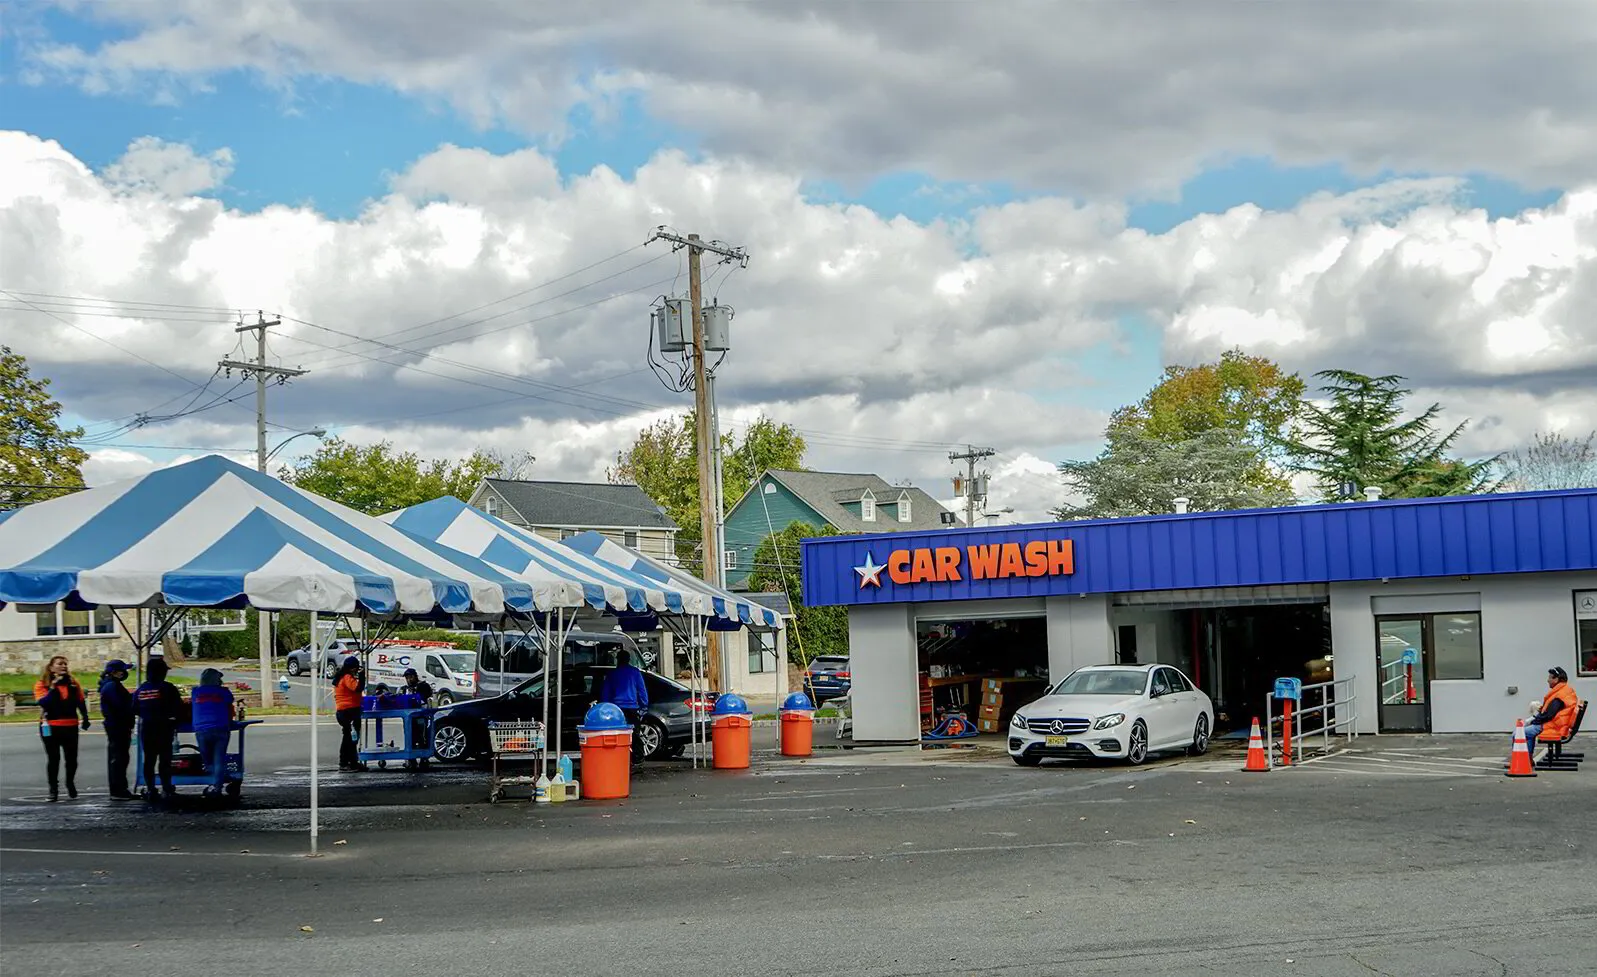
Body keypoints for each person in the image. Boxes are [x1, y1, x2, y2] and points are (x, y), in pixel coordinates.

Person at [35, 655, 91, 802]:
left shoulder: (73, 683)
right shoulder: (42, 684)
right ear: (51, 667)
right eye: (60, 664)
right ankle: (53, 789)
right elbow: (44, 703)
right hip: (51, 726)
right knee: (53, 759)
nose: (64, 666)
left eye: (65, 664)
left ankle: (70, 782)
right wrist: (53, 687)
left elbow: (80, 701)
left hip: (70, 724)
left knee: (72, 758)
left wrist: (85, 717)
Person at [134, 657, 184, 804]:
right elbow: (178, 707)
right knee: (165, 760)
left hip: (147, 727)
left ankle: (150, 788)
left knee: (149, 760)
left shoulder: (141, 689)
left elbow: (134, 708)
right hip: (164, 727)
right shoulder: (168, 688)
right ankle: (167, 788)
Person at [190, 668, 237, 799]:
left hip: (202, 729)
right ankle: (217, 786)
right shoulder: (224, 692)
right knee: (219, 759)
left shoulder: (196, 692)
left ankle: (213, 780)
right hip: (221, 727)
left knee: (207, 759)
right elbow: (230, 701)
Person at [599, 649, 649, 764]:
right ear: (628, 660)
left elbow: (606, 693)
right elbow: (642, 691)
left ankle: (618, 756)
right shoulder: (635, 672)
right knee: (634, 733)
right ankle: (637, 757)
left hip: (616, 709)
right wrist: (644, 706)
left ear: (618, 660)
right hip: (632, 707)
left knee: (615, 734)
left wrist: (605, 707)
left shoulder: (612, 674)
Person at [98, 659, 138, 800]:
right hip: (117, 725)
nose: (124, 673)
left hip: (118, 725)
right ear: (115, 672)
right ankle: (118, 790)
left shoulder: (112, 685)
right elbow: (121, 705)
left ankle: (121, 788)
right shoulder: (112, 687)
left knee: (121, 757)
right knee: (119, 758)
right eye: (122, 670)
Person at [1522, 666, 1580, 760]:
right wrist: (1540, 711)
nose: (1547, 680)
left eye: (1550, 677)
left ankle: (1523, 760)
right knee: (1526, 731)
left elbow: (1549, 715)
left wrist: (1534, 721)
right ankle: (1527, 759)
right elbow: (1553, 712)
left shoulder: (1559, 695)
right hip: (1559, 726)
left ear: (1556, 679)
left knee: (1519, 734)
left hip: (1554, 727)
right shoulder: (1565, 691)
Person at [333, 656, 366, 771]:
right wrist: (362, 677)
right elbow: (357, 688)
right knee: (350, 738)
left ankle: (351, 762)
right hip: (348, 711)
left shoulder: (341, 677)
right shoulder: (347, 677)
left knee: (350, 737)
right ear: (353, 668)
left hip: (344, 711)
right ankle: (346, 762)